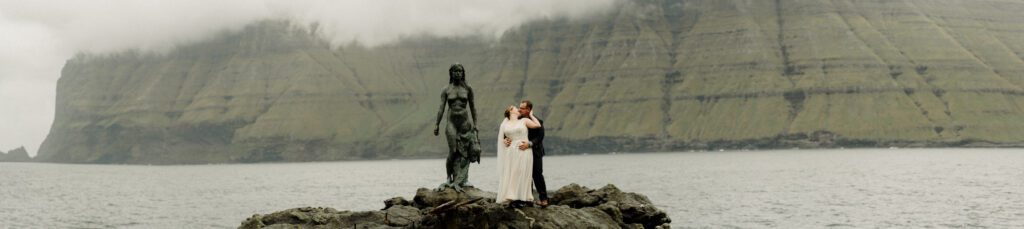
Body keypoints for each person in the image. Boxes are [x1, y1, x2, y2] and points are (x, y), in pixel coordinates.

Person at [432, 63, 482, 192]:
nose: (458, 73)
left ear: (463, 73)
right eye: (455, 71)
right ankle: (449, 177)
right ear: (451, 73)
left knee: (465, 152)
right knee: (453, 151)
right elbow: (441, 108)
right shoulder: (446, 90)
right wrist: (437, 124)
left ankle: (463, 179)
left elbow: (473, 107)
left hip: (465, 123)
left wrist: (476, 124)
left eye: (460, 71)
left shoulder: (468, 89)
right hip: (452, 123)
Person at [504, 100, 549, 207]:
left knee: (537, 174)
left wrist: (529, 144)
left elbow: (540, 137)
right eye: (519, 107)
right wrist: (505, 140)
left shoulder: (537, 120)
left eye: (522, 108)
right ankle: (527, 199)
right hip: (520, 152)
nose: (519, 109)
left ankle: (544, 199)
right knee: (523, 174)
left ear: (528, 110)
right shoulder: (516, 120)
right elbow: (508, 132)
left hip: (535, 151)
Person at [496, 105, 542, 208]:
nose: (518, 109)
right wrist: (504, 140)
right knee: (512, 172)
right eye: (516, 108)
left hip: (523, 149)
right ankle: (512, 197)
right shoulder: (505, 124)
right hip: (511, 151)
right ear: (511, 111)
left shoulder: (524, 120)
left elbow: (538, 125)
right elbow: (504, 137)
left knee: (522, 172)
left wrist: (531, 115)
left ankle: (524, 197)